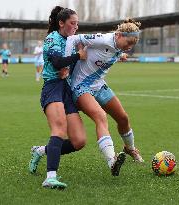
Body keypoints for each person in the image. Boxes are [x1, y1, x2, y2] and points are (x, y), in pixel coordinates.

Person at [64, 18, 144, 164]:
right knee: (101, 116)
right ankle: (111, 160)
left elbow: (110, 52)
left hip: (99, 86)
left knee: (123, 118)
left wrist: (121, 55)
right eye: (128, 43)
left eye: (132, 45)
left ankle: (130, 148)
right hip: (81, 86)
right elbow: (73, 39)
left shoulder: (118, 46)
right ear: (119, 35)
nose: (129, 47)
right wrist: (66, 64)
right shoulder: (103, 39)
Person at [29, 6, 88, 190]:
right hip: (52, 87)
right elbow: (56, 63)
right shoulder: (52, 38)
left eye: (77, 23)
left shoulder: (72, 40)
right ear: (61, 23)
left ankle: (41, 151)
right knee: (59, 129)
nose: (76, 27)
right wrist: (77, 55)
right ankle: (50, 177)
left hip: (66, 90)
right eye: (72, 23)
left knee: (79, 141)